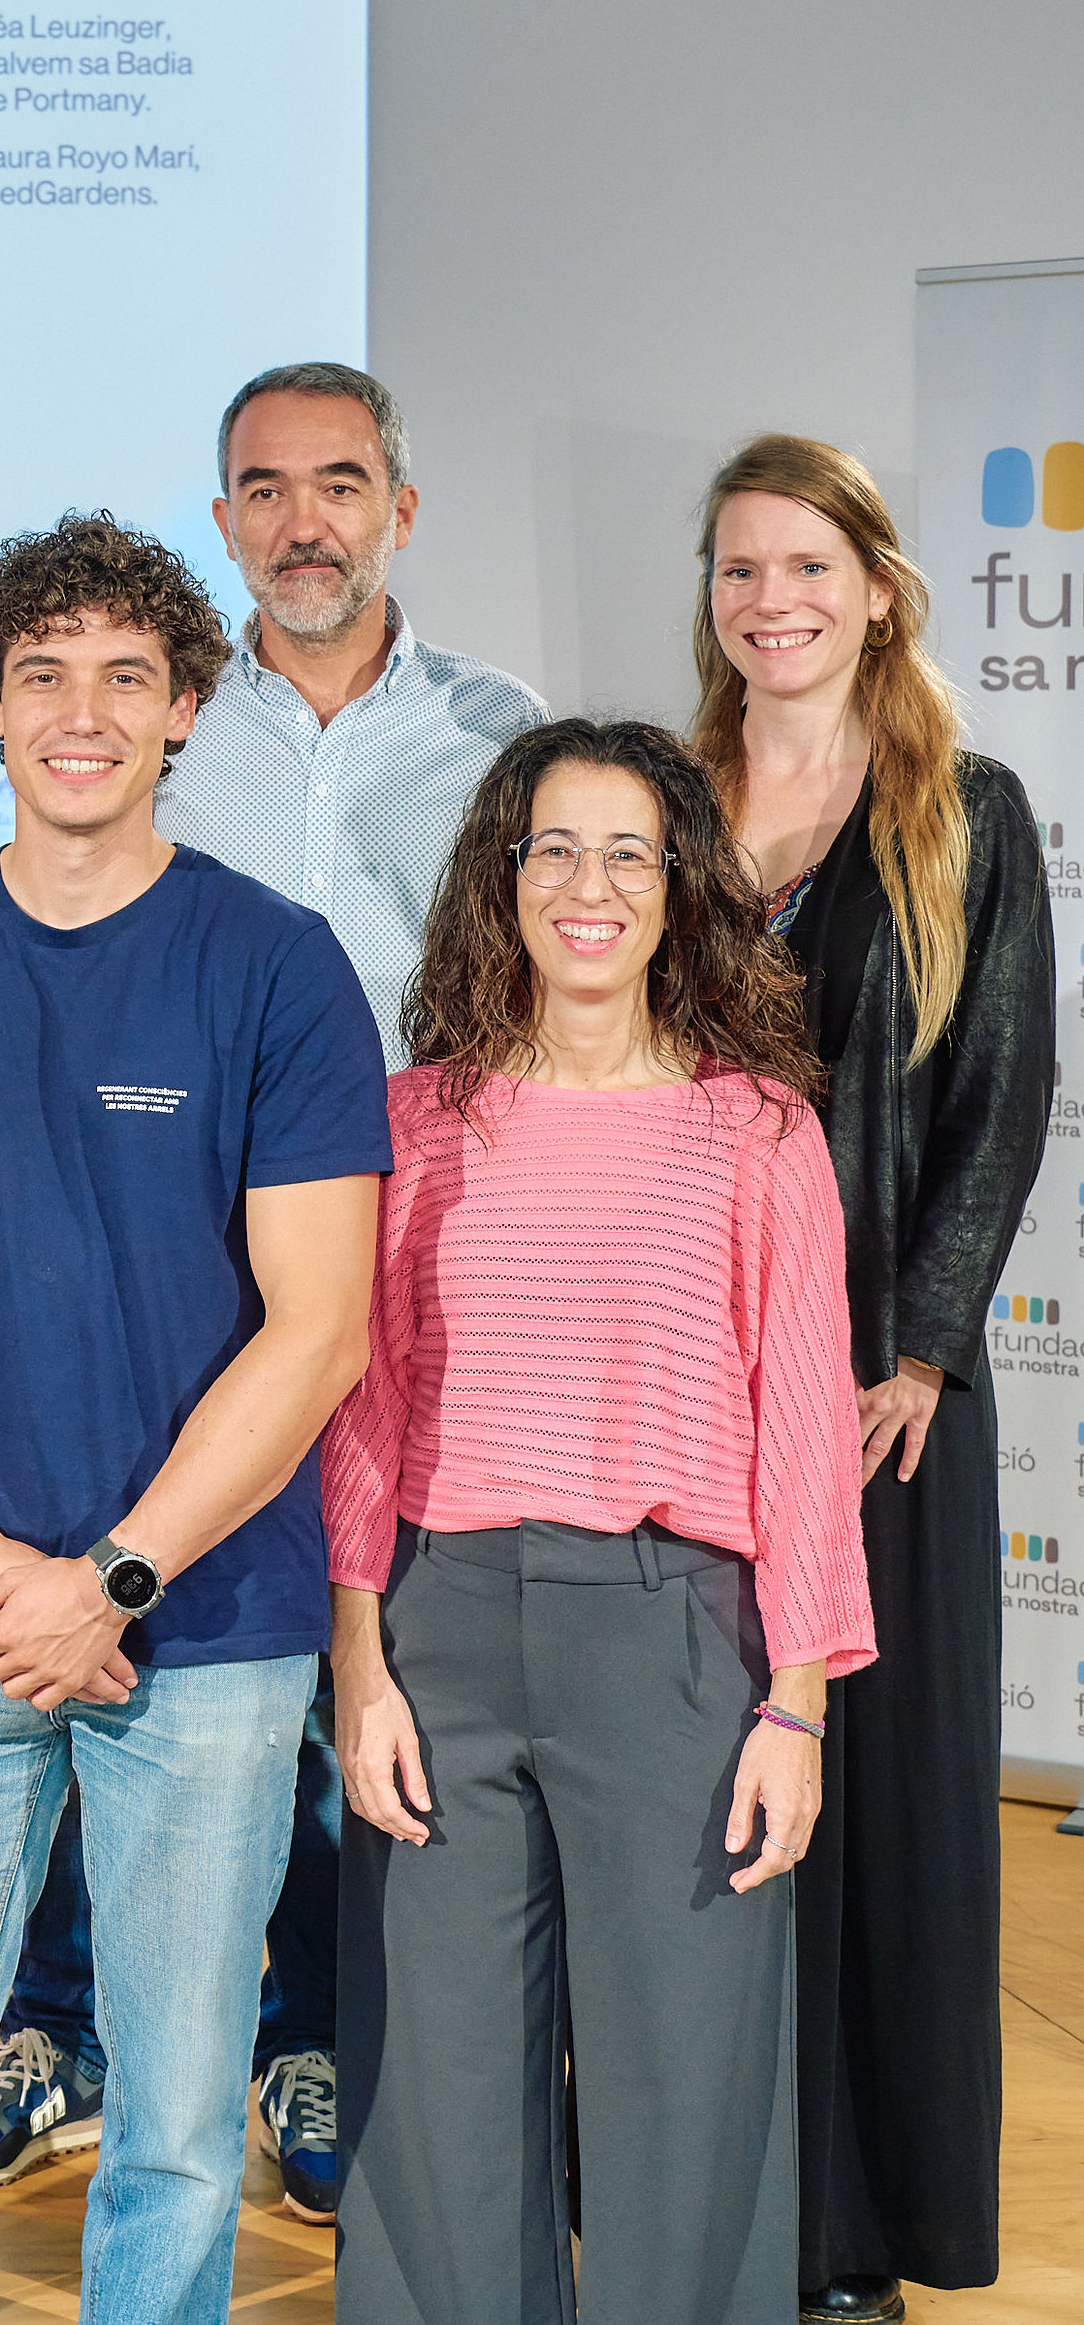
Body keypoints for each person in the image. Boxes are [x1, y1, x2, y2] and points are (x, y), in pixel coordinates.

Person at [0, 514, 386, 2325]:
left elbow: (320, 1327)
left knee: (184, 2117)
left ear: (189, 705)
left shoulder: (279, 968)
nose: (83, 713)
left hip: (204, 1632)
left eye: (127, 676)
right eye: (42, 675)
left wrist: (108, 1578)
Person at [0, 361, 548, 2221]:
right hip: (165, 1259)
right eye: (262, 488)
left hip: (412, 1262)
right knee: (107, 1600)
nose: (302, 519)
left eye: (339, 482)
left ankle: (303, 2032)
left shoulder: (502, 737)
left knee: (331, 1657)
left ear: (405, 503)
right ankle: (50, 2024)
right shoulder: (150, 719)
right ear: (222, 516)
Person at [322, 716, 870, 2324]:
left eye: (629, 851)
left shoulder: (758, 1129)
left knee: (686, 2089)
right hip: (444, 1630)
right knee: (437, 2096)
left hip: (679, 1645)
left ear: (683, 886)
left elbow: (805, 1429)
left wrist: (799, 1701)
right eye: (553, 847)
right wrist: (360, 1667)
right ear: (501, 880)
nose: (590, 884)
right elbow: (365, 1409)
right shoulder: (414, 1117)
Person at [692, 435, 1052, 2325]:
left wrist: (919, 1342)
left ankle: (858, 2238)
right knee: (703, 1807)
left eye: (808, 566)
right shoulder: (664, 806)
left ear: (882, 586)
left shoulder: (963, 814)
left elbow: (1003, 1095)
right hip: (685, 1389)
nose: (774, 602)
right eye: (742, 570)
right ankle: (711, 2202)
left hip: (881, 1402)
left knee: (886, 1814)